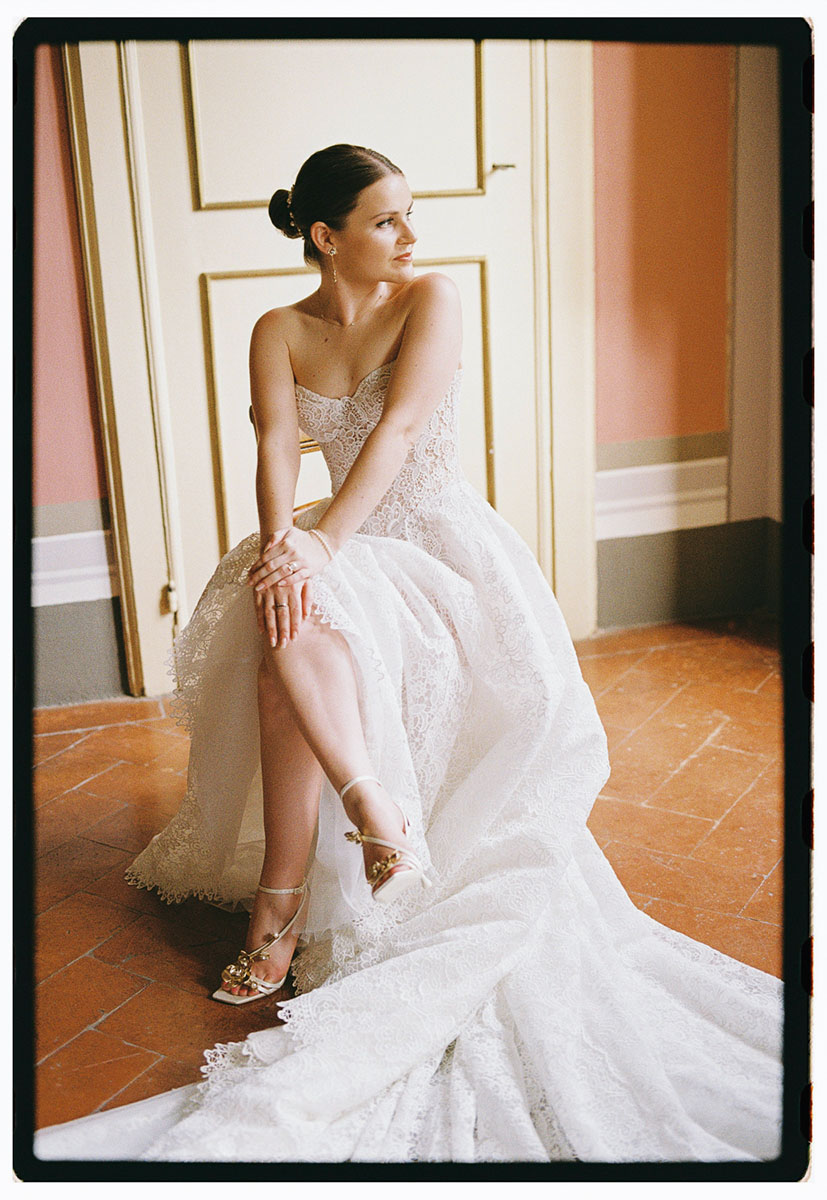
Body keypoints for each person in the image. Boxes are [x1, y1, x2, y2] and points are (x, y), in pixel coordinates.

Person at [34, 145, 783, 1164]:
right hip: (330, 537)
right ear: (325, 236)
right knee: (280, 619)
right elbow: (273, 446)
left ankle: (283, 903)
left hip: (431, 548)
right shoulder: (275, 329)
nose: (410, 236)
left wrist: (318, 551)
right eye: (386, 220)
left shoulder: (431, 300)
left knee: (297, 621)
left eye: (408, 215)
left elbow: (391, 435)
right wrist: (281, 546)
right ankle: (368, 816)